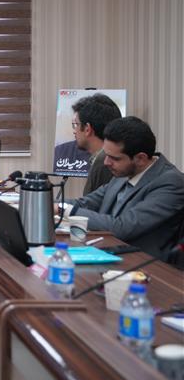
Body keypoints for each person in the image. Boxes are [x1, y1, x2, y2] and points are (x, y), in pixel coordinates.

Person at [70, 117, 184, 263]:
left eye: (114, 158)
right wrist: (48, 203)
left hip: (144, 266)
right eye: (106, 155)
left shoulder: (171, 182)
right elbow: (85, 203)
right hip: (106, 254)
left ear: (140, 158)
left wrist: (64, 210)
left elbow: (122, 227)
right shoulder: (124, 171)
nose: (106, 162)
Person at [70, 94, 122, 195]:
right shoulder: (106, 158)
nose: (74, 131)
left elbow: (95, 203)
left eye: (76, 125)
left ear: (87, 129)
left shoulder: (105, 162)